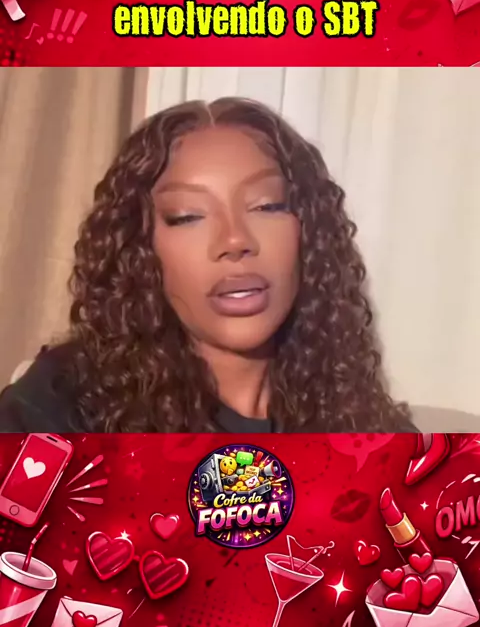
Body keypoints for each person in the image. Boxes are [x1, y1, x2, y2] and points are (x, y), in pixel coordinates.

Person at [0, 97, 416, 433]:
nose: (235, 240)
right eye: (187, 216)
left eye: (267, 206)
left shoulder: (368, 427)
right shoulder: (60, 407)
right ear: (141, 249)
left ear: (308, 232)